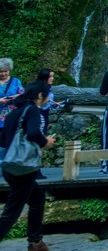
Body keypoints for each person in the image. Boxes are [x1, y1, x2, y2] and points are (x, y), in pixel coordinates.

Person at [0, 82, 56, 251]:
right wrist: (45, 141)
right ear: (40, 96)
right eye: (47, 96)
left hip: (10, 166)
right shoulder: (33, 110)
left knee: (37, 198)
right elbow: (32, 132)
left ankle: (35, 241)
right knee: (13, 210)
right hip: (23, 168)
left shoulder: (13, 114)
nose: (48, 99)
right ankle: (35, 242)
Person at [0, 59, 23, 130]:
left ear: (9, 70)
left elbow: (23, 95)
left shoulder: (16, 82)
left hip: (11, 116)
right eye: (1, 71)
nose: (3, 74)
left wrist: (16, 96)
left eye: (5, 71)